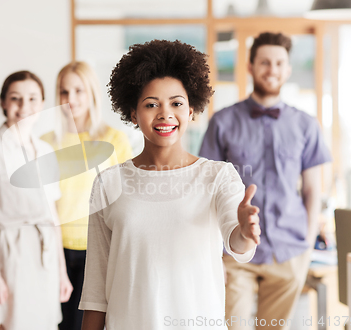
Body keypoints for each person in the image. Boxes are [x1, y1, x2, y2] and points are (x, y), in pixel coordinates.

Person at [79, 40, 261, 330]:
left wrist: (246, 231)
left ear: (191, 111)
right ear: (133, 114)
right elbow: (96, 292)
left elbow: (238, 245)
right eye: (152, 104)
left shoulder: (219, 176)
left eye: (176, 103)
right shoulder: (108, 183)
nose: (165, 114)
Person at [199, 32, 332, 330]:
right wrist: (212, 255)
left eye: (278, 63)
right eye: (264, 62)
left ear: (287, 69)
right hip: (235, 251)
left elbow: (312, 190)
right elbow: (206, 191)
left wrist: (308, 245)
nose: (271, 69)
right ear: (250, 66)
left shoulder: (306, 125)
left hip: (288, 249)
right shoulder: (222, 122)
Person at [0, 71, 73, 330]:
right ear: (3, 102)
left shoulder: (45, 150)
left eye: (32, 99)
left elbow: (53, 216)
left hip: (44, 256)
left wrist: (61, 273)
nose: (24, 107)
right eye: (16, 98)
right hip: (6, 253)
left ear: (42, 103)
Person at [41, 61, 133, 330]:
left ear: (92, 93)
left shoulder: (115, 140)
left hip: (99, 248)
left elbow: (126, 199)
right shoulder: (46, 143)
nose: (71, 99)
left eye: (79, 91)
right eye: (64, 91)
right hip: (55, 250)